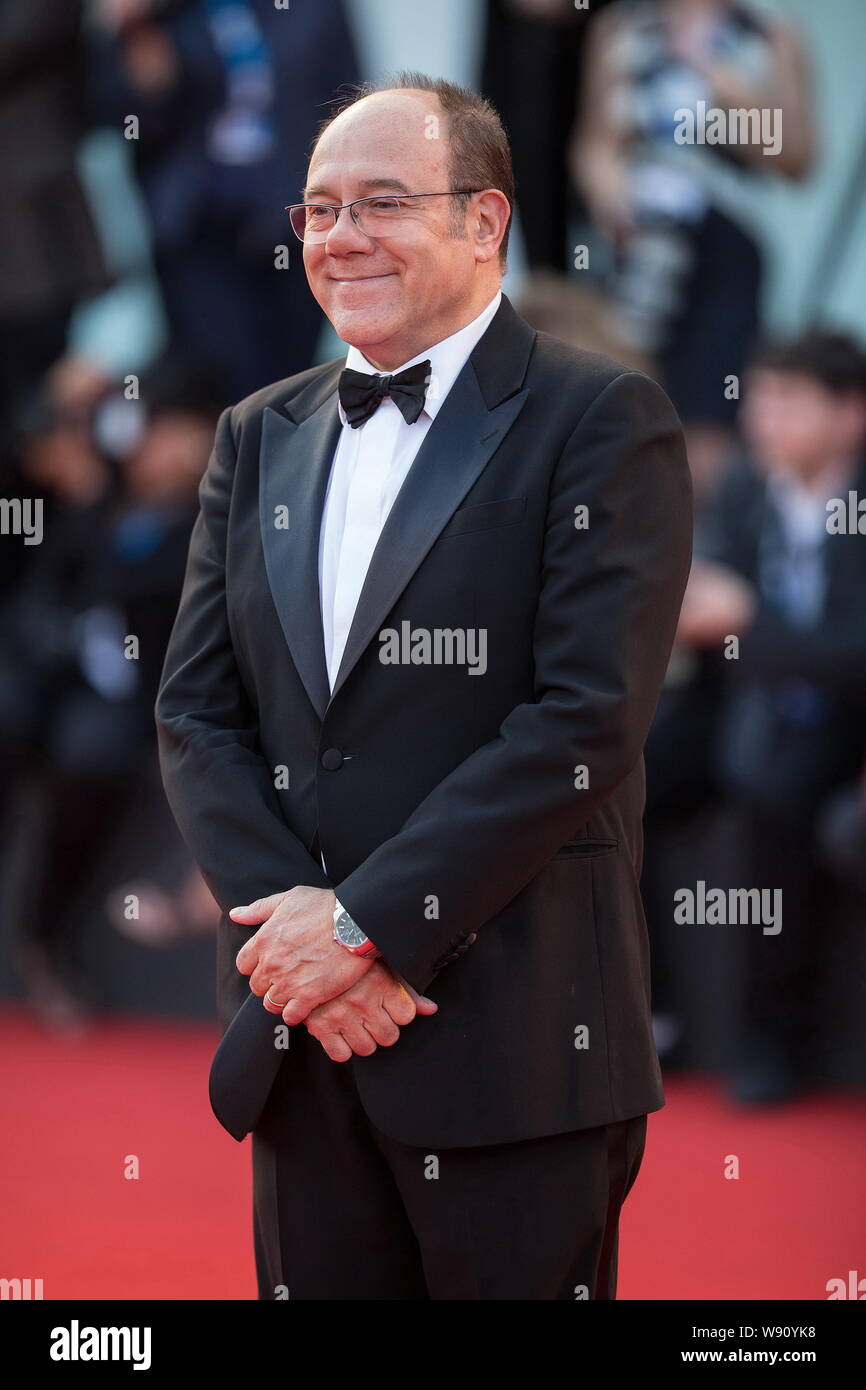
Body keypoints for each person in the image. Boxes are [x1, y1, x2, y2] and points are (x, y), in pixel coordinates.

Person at [156, 72, 693, 1301]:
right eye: (317, 210)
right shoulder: (257, 433)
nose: (340, 237)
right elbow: (195, 709)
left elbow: (582, 717)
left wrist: (364, 927)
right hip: (306, 1041)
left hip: (515, 1046)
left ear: (484, 221)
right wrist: (298, 945)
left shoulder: (600, 416)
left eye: (381, 202)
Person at [677, 331, 866, 1102]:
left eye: (787, 401)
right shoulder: (747, 488)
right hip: (746, 699)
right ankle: (632, 1017)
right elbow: (700, 613)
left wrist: (749, 626)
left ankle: (768, 1042)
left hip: (846, 719)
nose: (762, 420)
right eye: (759, 398)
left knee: (773, 790)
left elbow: (856, 654)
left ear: (850, 413)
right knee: (611, 769)